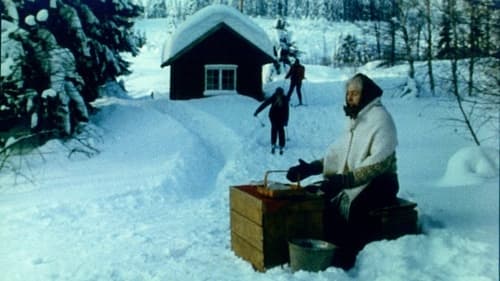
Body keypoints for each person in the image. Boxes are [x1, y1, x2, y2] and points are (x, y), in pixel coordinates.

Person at [285, 73, 399, 249]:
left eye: (354, 93)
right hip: (354, 180)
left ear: (366, 94)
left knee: (353, 208)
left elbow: (380, 162)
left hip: (381, 182)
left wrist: (345, 180)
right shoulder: (355, 120)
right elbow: (339, 154)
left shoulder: (381, 118)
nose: (349, 98)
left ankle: (348, 254)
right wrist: (311, 168)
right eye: (348, 94)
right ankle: (324, 245)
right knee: (316, 195)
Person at [254, 87, 289, 155]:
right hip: (273, 116)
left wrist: (286, 120)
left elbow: (287, 111)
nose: (278, 96)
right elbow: (265, 104)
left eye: (279, 94)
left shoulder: (284, 99)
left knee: (280, 129)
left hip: (281, 117)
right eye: (277, 94)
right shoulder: (273, 98)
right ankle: (274, 143)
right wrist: (257, 111)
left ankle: (280, 144)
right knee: (275, 128)